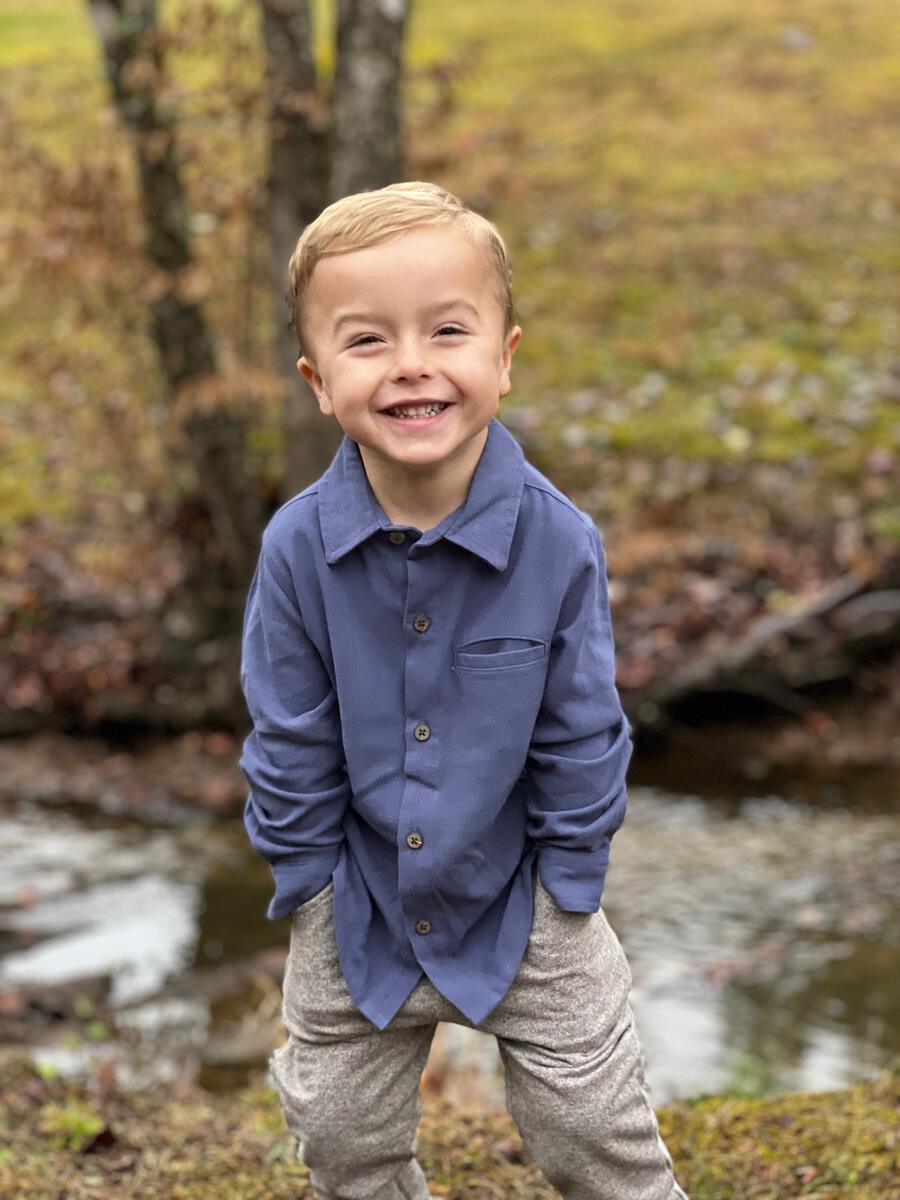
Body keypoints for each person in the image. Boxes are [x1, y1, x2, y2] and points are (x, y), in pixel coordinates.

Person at [239, 181, 688, 1200]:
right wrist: (309, 883)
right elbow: (288, 734)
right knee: (339, 1132)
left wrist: (572, 881)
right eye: (367, 341)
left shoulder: (558, 540)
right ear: (317, 381)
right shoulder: (297, 549)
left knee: (592, 1128)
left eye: (447, 330)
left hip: (529, 890)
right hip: (357, 894)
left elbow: (583, 730)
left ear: (505, 357)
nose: (411, 364)